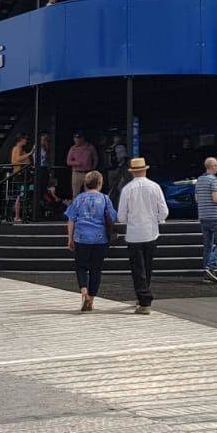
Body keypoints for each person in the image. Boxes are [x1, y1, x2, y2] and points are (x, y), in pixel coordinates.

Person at [116, 158, 168, 314]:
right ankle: (143, 296)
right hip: (151, 232)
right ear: (145, 170)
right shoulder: (155, 187)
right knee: (147, 267)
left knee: (138, 268)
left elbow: (121, 216)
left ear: (132, 172)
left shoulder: (127, 189)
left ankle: (144, 299)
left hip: (134, 234)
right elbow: (164, 211)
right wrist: (157, 219)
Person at [64, 170, 116, 311]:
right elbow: (113, 217)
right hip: (100, 238)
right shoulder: (105, 199)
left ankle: (84, 291)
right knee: (96, 270)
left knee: (81, 267)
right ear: (99, 183)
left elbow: (71, 219)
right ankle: (91, 300)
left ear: (85, 184)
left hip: (81, 237)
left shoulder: (79, 198)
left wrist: (70, 238)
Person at [194, 157, 217, 283]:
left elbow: (197, 199)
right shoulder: (213, 180)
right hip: (214, 216)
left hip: (203, 216)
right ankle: (211, 267)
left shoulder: (199, 180)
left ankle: (207, 273)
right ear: (213, 166)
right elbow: (215, 199)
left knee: (208, 245)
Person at [66, 133, 98, 201]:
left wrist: (93, 168)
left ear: (82, 139)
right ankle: (76, 209)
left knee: (89, 193)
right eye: (75, 139)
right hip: (77, 173)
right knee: (75, 193)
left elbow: (95, 158)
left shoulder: (90, 147)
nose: (76, 141)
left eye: (77, 140)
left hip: (88, 173)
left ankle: (88, 209)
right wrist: (76, 163)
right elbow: (68, 162)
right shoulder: (73, 148)